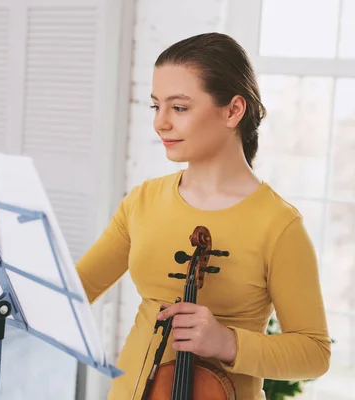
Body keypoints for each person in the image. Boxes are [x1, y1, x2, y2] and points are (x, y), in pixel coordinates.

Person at [76, 32, 331, 400]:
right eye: (155, 106)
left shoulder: (279, 225)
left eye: (178, 108)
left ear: (232, 110)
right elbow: (78, 290)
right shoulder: (143, 200)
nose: (161, 123)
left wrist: (226, 342)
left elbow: (314, 354)